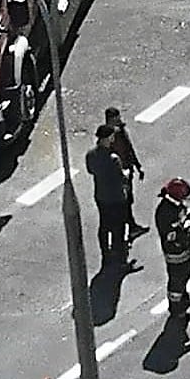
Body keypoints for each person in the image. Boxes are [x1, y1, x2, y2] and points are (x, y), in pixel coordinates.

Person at [85, 124, 134, 268]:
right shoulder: (113, 159)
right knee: (118, 228)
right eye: (111, 137)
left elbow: (90, 171)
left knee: (104, 225)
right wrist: (126, 173)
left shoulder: (91, 155)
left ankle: (105, 253)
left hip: (101, 195)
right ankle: (120, 260)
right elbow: (122, 177)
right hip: (116, 197)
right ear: (107, 138)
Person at [154, 177, 190, 315]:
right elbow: (175, 237)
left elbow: (186, 214)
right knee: (176, 281)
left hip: (184, 252)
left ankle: (184, 299)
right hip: (175, 254)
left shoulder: (176, 206)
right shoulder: (165, 213)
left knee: (185, 275)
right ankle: (176, 308)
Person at [104, 106, 147, 236]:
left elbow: (129, 149)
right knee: (124, 202)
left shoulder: (121, 131)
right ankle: (128, 228)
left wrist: (138, 166)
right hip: (120, 175)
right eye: (116, 119)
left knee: (127, 201)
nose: (119, 120)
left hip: (127, 171)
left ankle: (130, 226)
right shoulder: (110, 138)